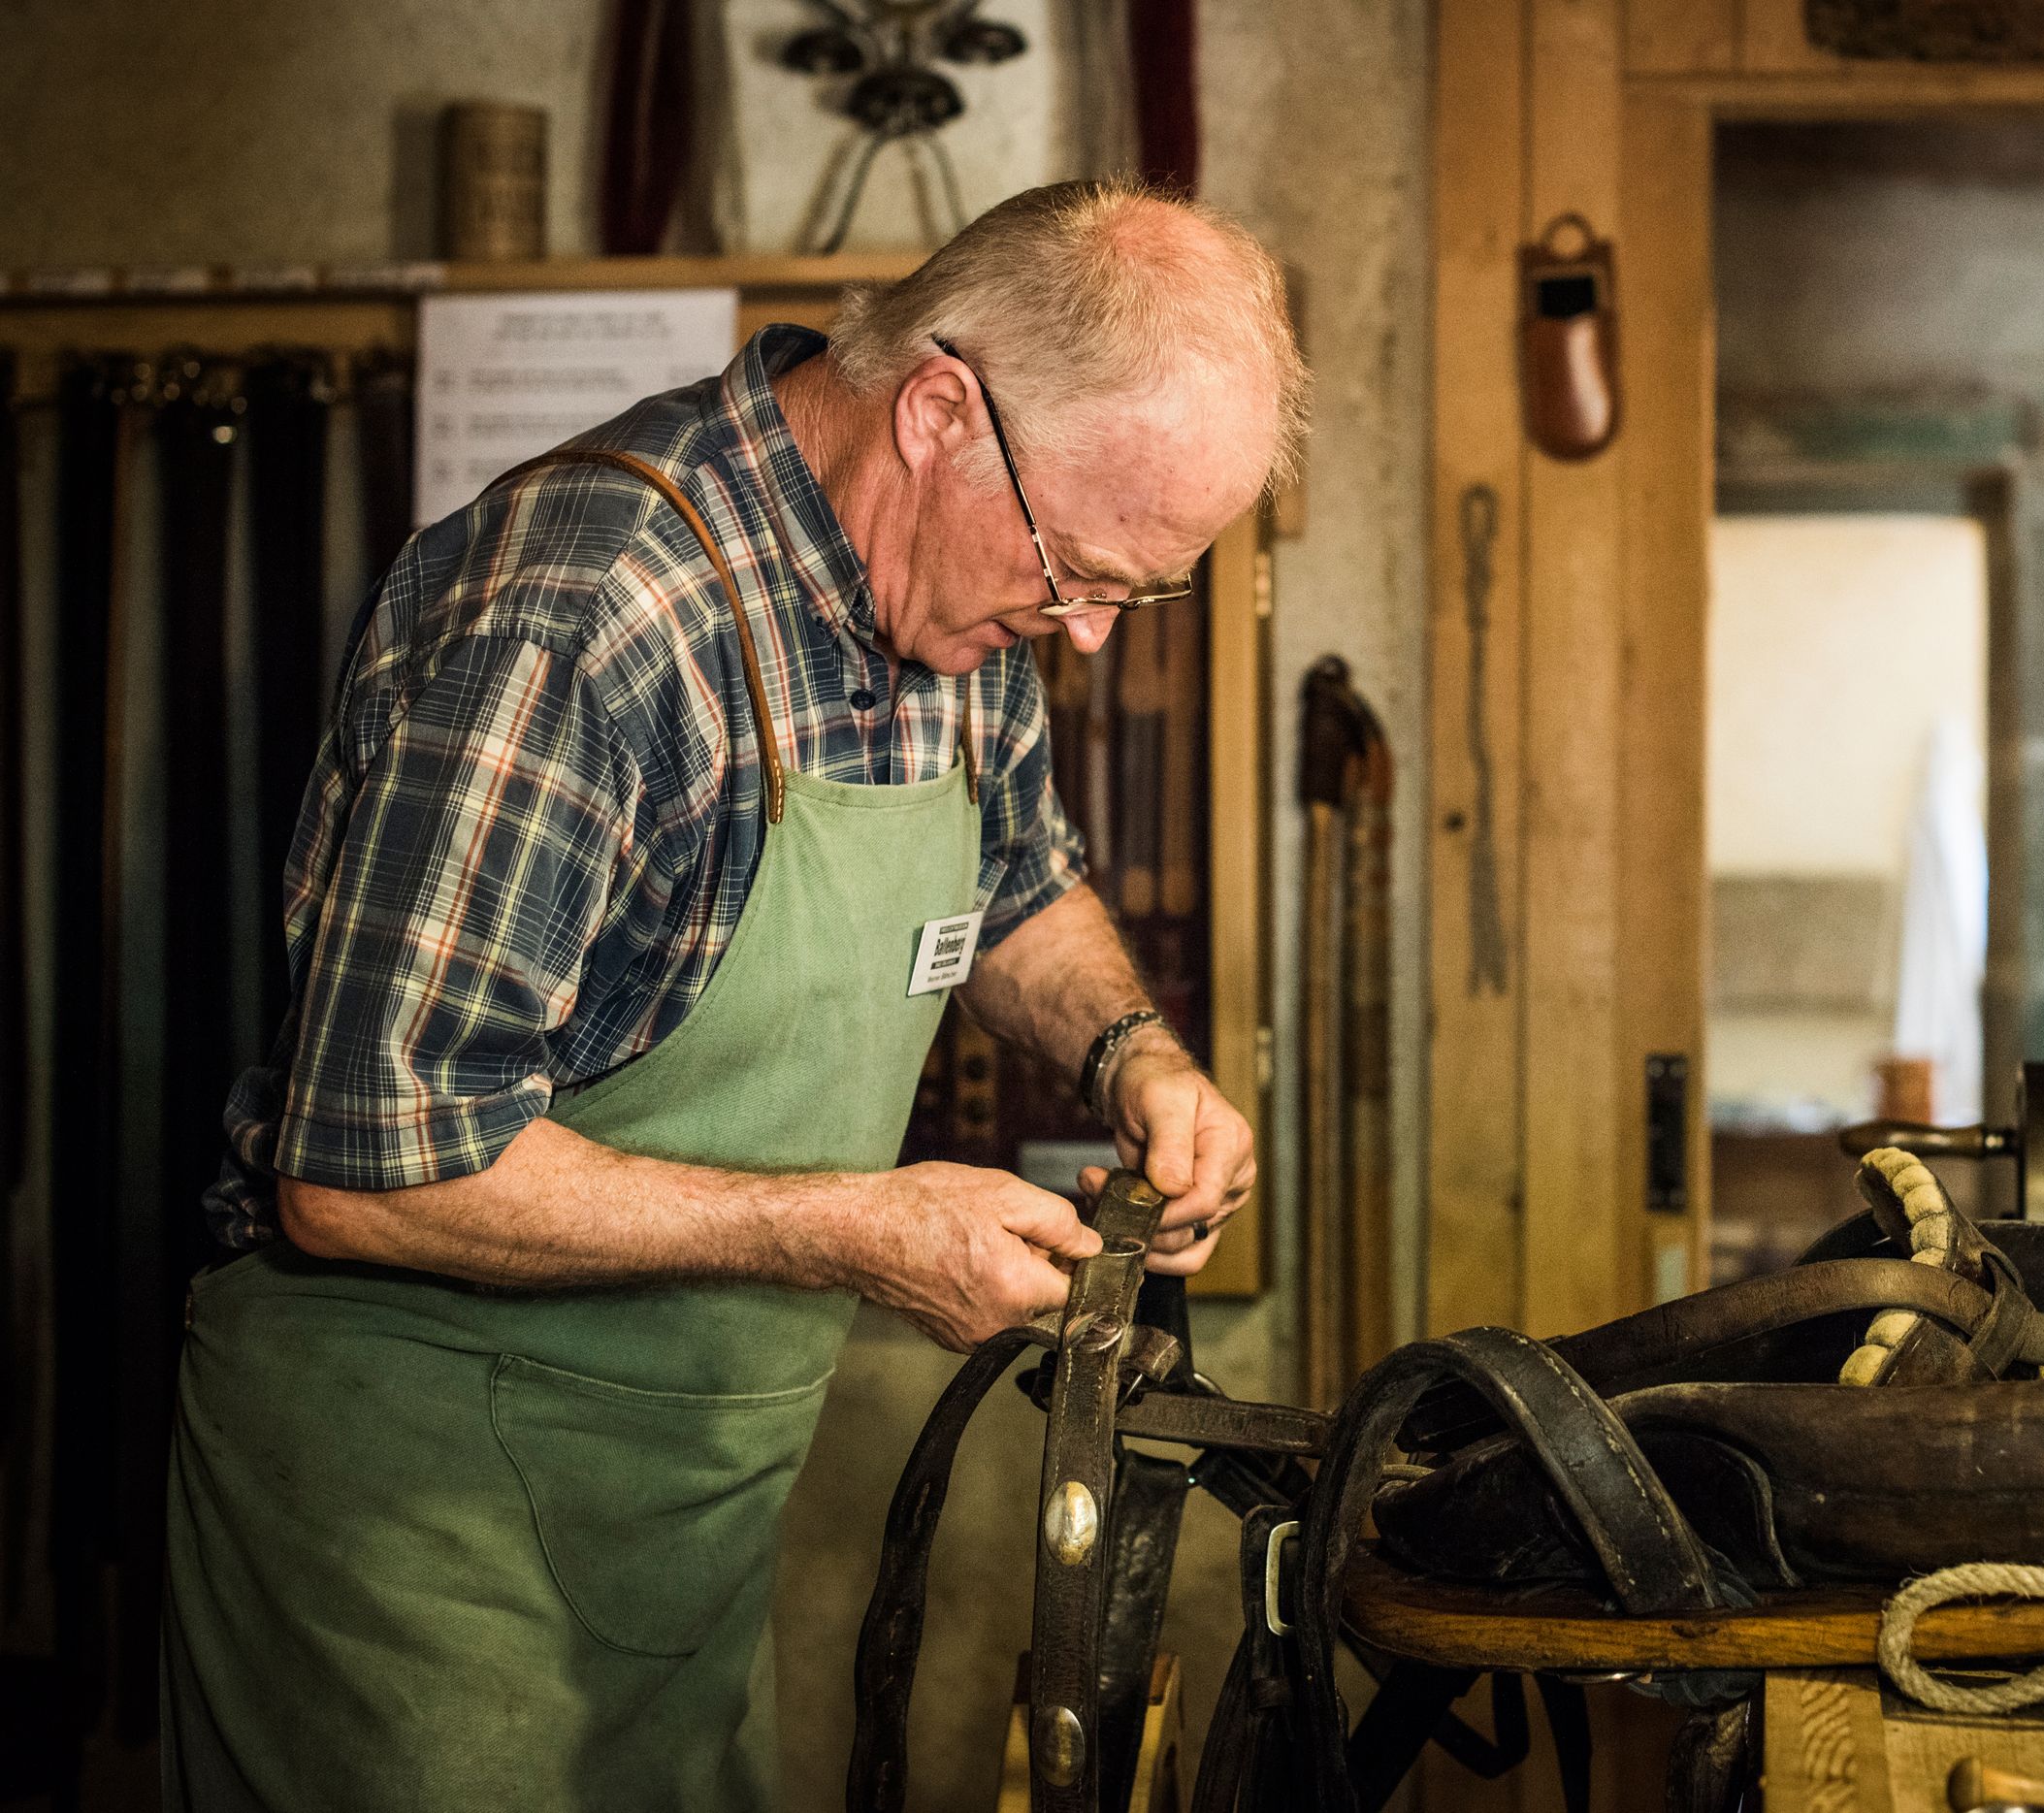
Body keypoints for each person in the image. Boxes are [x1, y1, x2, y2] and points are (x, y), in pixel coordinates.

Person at [161, 178, 1307, 1809]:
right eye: (1079, 570)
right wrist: (850, 1226)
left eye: (1144, 591)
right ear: (935, 410)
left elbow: (1017, 881)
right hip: (409, 1539)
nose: (1096, 635)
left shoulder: (962, 604)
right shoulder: (587, 616)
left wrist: (1136, 1058)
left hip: (682, 1523)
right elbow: (366, 1166)